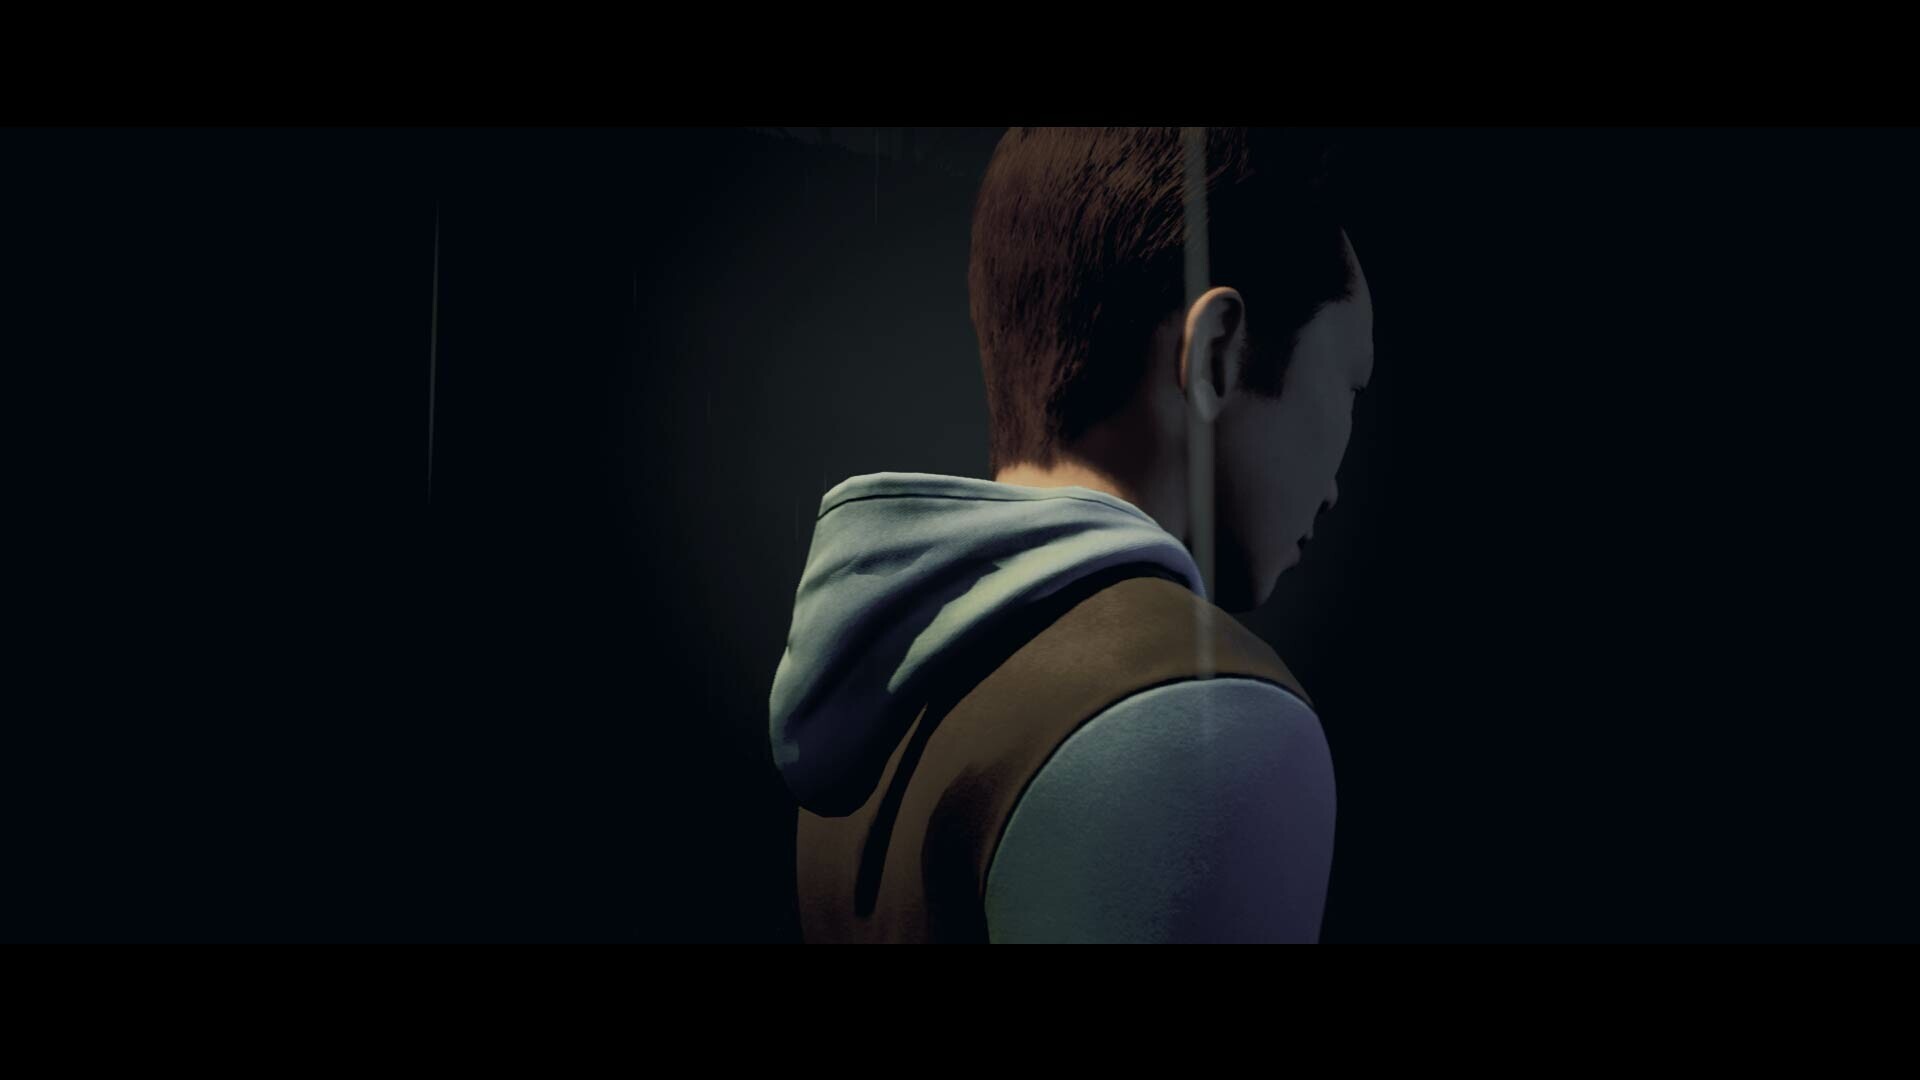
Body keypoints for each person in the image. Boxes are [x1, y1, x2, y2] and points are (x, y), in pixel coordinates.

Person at [769, 127, 1375, 942]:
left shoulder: (870, 683)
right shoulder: (1205, 718)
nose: (1335, 488)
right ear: (1218, 355)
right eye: (1348, 385)